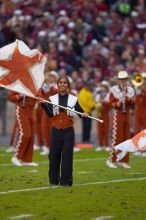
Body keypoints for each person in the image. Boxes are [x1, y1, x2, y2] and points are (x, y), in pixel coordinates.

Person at [41, 76, 89, 187]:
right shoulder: (52, 99)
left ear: (68, 85)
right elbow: (50, 114)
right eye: (60, 82)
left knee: (67, 157)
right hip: (55, 130)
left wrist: (86, 114)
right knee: (53, 156)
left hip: (68, 131)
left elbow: (81, 113)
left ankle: (66, 181)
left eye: (65, 83)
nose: (62, 84)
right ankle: (53, 181)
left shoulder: (73, 99)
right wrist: (43, 104)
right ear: (57, 85)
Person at [106, 71, 135, 168]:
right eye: (121, 79)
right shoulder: (113, 89)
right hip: (117, 114)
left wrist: (127, 98)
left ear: (127, 79)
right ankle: (111, 160)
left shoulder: (130, 90)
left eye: (124, 79)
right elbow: (110, 103)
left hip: (127, 114)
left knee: (126, 138)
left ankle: (123, 160)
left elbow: (133, 102)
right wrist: (118, 103)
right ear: (118, 80)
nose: (123, 81)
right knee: (116, 138)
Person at [8, 91, 38, 166]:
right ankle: (16, 157)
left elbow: (39, 94)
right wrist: (20, 95)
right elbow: (11, 98)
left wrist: (37, 97)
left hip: (32, 111)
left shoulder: (35, 84)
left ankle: (27, 160)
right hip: (22, 110)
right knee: (26, 135)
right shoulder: (19, 83)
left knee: (31, 137)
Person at [94, 81, 110, 151]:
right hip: (99, 114)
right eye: (102, 86)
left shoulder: (108, 94)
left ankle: (106, 145)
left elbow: (108, 102)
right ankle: (100, 145)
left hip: (106, 113)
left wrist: (103, 101)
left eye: (104, 86)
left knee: (106, 130)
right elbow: (95, 101)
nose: (103, 88)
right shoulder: (98, 95)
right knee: (99, 130)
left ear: (106, 87)